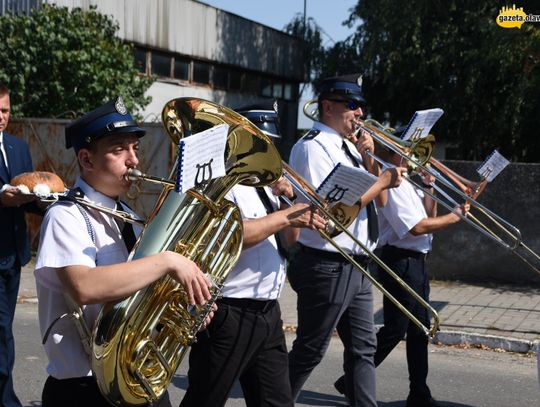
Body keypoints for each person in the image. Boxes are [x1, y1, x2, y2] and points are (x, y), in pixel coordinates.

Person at [33, 97, 213, 407]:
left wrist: (187, 304)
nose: (134, 161)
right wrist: (168, 261)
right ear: (87, 160)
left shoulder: (130, 218)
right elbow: (84, 286)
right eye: (119, 150)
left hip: (138, 376)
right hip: (84, 389)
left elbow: (144, 295)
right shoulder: (66, 216)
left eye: (136, 149)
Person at [180, 100, 326, 407]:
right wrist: (286, 216)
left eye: (271, 145)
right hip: (228, 312)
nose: (269, 153)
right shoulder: (219, 181)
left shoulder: (265, 185)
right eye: (263, 144)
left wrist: (290, 203)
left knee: (277, 402)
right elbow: (234, 236)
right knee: (204, 401)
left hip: (267, 312)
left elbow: (290, 238)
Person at [287, 74, 404, 407]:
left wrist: (370, 159)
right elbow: (335, 212)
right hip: (327, 263)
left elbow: (378, 201)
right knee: (310, 350)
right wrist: (382, 179)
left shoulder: (347, 148)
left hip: (357, 262)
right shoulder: (312, 147)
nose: (360, 114)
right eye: (352, 105)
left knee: (363, 351)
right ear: (327, 106)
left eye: (361, 106)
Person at [334, 143, 469, 406]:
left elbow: (428, 217)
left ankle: (418, 393)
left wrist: (429, 187)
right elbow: (416, 228)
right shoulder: (390, 181)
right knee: (396, 329)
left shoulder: (406, 181)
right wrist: (453, 219)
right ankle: (352, 379)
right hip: (399, 261)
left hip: (416, 262)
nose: (413, 157)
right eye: (407, 151)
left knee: (420, 329)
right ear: (393, 153)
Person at [0, 82, 42, 407]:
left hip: (14, 256)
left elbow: (28, 200)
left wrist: (47, 200)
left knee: (5, 329)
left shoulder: (17, 147)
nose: (2, 117)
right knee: (2, 332)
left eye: (5, 110)